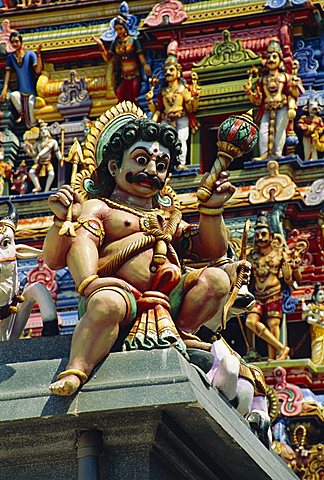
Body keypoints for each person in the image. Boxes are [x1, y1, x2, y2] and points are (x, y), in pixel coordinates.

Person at [43, 102, 249, 396]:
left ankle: (183, 333)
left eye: (161, 166)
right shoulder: (101, 208)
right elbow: (71, 247)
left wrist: (211, 212)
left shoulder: (168, 217)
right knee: (107, 305)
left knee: (217, 280)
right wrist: (89, 280)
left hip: (167, 299)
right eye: (140, 160)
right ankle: (78, 368)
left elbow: (209, 251)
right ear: (114, 167)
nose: (151, 170)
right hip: (117, 292)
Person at [246, 212, 301, 360]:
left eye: (264, 234)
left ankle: (275, 357)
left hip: (274, 294)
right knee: (250, 322)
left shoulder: (280, 254)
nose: (260, 238)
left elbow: (294, 280)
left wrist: (291, 272)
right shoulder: (251, 257)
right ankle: (282, 348)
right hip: (257, 296)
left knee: (273, 325)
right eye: (257, 235)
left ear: (272, 236)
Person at [244, 38, 303, 160]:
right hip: (266, 107)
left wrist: (295, 85)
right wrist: (249, 91)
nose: (271, 60)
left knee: (279, 130)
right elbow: (257, 100)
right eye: (269, 57)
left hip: (282, 106)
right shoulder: (262, 79)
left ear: (280, 61)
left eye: (274, 57)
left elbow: (294, 94)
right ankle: (264, 154)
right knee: (263, 131)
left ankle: (277, 153)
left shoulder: (285, 76)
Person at [146, 41, 199, 170]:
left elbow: (191, 107)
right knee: (162, 142)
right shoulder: (163, 91)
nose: (168, 73)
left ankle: (181, 164)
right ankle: (164, 164)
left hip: (181, 117)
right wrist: (149, 102)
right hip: (166, 119)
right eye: (166, 71)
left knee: (181, 140)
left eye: (171, 70)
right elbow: (157, 110)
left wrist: (195, 97)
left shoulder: (182, 89)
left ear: (178, 72)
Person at [92, 14, 151, 103]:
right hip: (124, 77)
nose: (119, 31)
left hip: (135, 75)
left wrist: (145, 65)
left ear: (125, 28)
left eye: (120, 29)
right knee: (120, 94)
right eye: (116, 29)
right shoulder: (115, 43)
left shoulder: (133, 41)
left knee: (136, 96)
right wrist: (101, 46)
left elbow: (140, 55)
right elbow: (108, 59)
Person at [0, 32, 42, 128]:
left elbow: (38, 71)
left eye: (16, 41)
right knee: (14, 96)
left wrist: (38, 55)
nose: (14, 44)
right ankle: (21, 113)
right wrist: (4, 89)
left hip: (32, 91)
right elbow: (8, 73)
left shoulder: (30, 55)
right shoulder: (11, 58)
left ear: (21, 42)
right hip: (21, 91)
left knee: (31, 105)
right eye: (12, 42)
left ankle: (33, 127)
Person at [24, 120, 62, 192]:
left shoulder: (52, 141)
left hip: (47, 161)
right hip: (40, 162)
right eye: (41, 130)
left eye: (45, 129)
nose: (43, 131)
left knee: (51, 174)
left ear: (48, 131)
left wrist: (61, 159)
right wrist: (28, 150)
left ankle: (46, 190)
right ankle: (38, 187)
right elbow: (33, 154)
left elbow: (47, 148)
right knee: (31, 172)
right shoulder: (38, 143)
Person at [301, 283, 324, 365]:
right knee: (317, 353)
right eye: (320, 294)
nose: (322, 296)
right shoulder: (311, 306)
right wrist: (318, 322)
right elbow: (309, 320)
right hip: (317, 335)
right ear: (314, 296)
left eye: (323, 295)